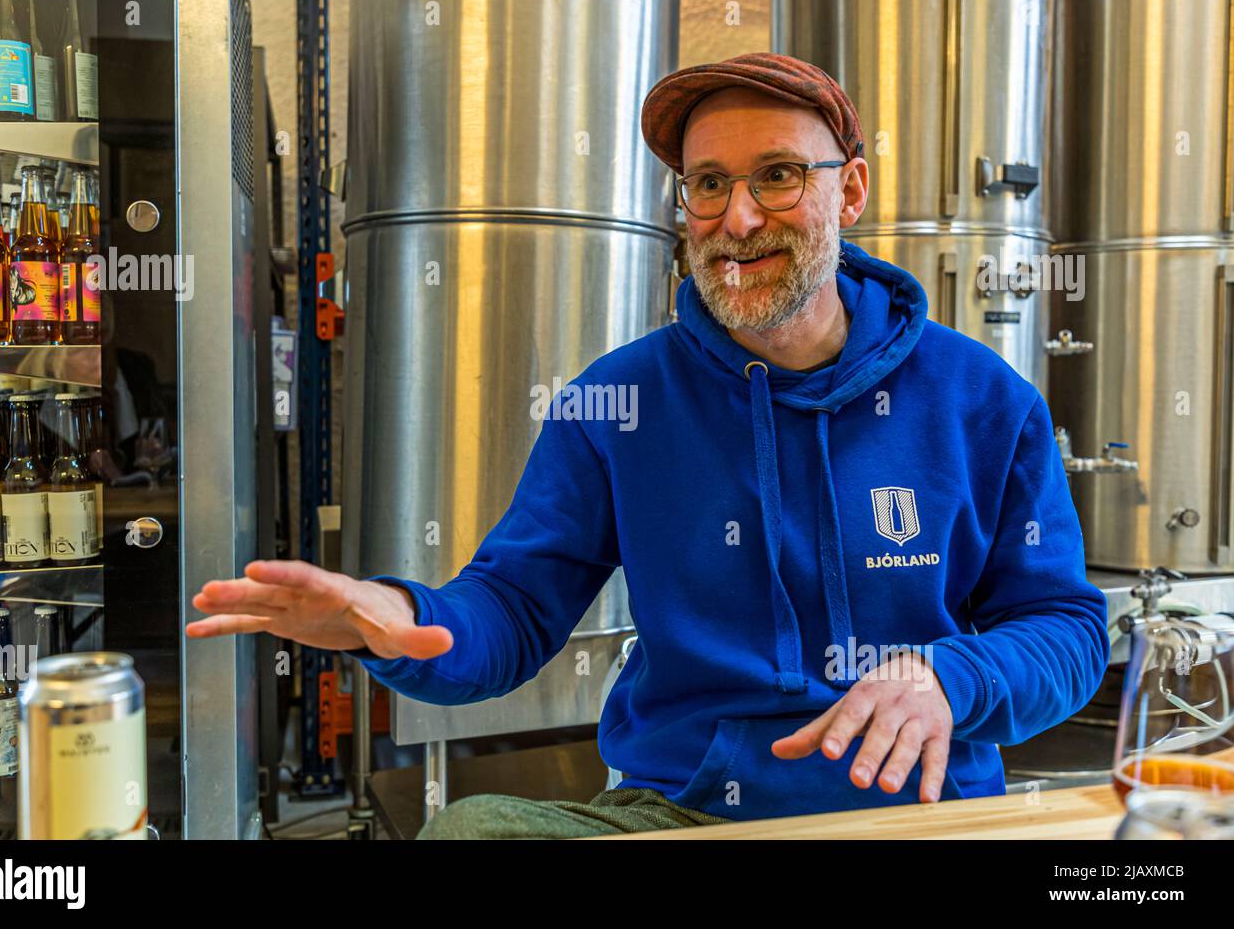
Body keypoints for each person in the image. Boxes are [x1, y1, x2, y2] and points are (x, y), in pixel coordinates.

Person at [187, 53, 1109, 839]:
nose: (737, 220)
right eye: (709, 184)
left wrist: (955, 675)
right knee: (469, 829)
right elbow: (510, 611)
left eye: (778, 176)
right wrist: (387, 617)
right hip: (683, 811)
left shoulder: (984, 398)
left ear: (850, 190)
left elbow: (1068, 632)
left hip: (917, 808)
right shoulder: (617, 402)